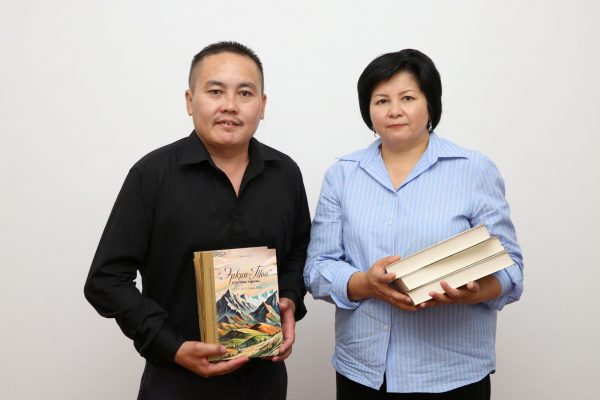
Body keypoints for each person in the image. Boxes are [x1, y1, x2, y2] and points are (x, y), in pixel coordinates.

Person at [84, 41, 310, 400]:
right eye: (215, 91)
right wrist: (171, 345)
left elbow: (300, 250)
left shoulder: (286, 174)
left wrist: (291, 299)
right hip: (176, 381)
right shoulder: (151, 176)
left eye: (245, 93)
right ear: (190, 101)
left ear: (263, 105)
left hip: (264, 377)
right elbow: (105, 280)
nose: (230, 105)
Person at [304, 49, 523, 399]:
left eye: (407, 98)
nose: (394, 110)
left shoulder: (473, 169)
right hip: (364, 372)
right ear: (368, 110)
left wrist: (474, 292)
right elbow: (317, 270)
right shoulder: (342, 175)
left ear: (431, 104)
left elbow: (511, 269)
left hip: (452, 374)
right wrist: (366, 283)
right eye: (381, 100)